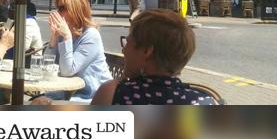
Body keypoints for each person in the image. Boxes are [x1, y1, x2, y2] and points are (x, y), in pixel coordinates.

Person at [91, 9, 219, 105]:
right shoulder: (206, 101)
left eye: (128, 42)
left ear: (147, 51)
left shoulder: (113, 94)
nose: (123, 50)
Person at [35, 0, 112, 102]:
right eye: (58, 8)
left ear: (75, 10)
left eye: (62, 8)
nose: (57, 13)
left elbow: (67, 71)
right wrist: (54, 37)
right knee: (36, 103)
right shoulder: (65, 32)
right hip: (67, 94)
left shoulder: (91, 35)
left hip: (91, 97)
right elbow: (47, 66)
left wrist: (66, 37)